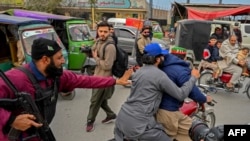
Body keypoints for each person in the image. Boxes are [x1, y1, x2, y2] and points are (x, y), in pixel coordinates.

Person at [0, 37, 132, 141]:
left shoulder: (57, 76)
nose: (63, 61)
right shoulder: (15, 78)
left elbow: (86, 80)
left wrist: (115, 81)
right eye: (59, 58)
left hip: (40, 134)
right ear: (45, 59)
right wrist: (11, 120)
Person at [112, 43, 200, 141]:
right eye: (162, 56)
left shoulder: (139, 72)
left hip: (123, 117)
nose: (164, 58)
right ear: (158, 59)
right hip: (139, 125)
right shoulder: (160, 76)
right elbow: (180, 94)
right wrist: (193, 78)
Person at [157, 46, 213, 141]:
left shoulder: (162, 65)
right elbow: (191, 90)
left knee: (187, 130)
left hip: (159, 108)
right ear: (185, 57)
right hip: (168, 111)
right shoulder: (181, 70)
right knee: (170, 136)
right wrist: (204, 98)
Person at [85, 21, 117, 132]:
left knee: (94, 101)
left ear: (109, 32)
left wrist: (96, 58)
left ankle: (90, 121)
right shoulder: (98, 41)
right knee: (100, 100)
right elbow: (93, 51)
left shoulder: (110, 47)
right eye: (100, 31)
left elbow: (108, 66)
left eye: (105, 32)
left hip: (104, 79)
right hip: (97, 76)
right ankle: (111, 114)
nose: (102, 34)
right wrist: (88, 51)